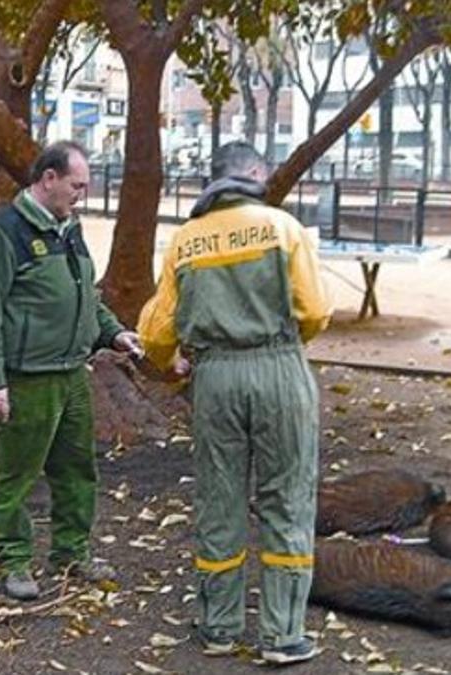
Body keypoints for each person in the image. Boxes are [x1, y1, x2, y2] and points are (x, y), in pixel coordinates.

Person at [137, 141, 332, 665]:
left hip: (214, 376)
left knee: (218, 498)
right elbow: (314, 310)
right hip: (278, 367)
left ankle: (219, 628)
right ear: (251, 174)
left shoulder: (186, 240)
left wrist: (169, 361)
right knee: (287, 497)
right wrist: (281, 345)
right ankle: (282, 635)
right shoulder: (283, 228)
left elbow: (156, 328)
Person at [0, 141, 142, 601]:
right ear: (48, 179)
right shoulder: (4, 233)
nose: (82, 194)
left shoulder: (69, 229)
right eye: (76, 184)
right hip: (27, 378)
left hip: (72, 375)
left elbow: (87, 295)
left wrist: (114, 333)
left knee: (77, 469)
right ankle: (14, 561)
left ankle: (71, 552)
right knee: (18, 474)